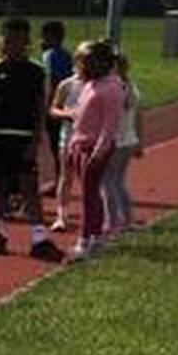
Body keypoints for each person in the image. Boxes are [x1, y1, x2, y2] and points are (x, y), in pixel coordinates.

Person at [0, 18, 59, 261]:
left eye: (18, 41)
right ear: (1, 41)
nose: (12, 45)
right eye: (8, 40)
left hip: (22, 139)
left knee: (29, 188)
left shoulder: (36, 71)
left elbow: (39, 109)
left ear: (27, 42)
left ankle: (39, 239)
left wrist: (35, 142)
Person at [64, 39, 122, 261]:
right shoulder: (90, 84)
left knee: (89, 195)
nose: (79, 68)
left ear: (99, 63)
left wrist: (98, 153)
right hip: (81, 144)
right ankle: (94, 238)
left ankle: (86, 240)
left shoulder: (112, 88)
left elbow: (109, 126)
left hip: (95, 148)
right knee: (89, 193)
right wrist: (72, 144)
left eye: (83, 63)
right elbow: (81, 116)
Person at [101, 51, 143, 233]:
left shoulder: (113, 87)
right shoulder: (131, 86)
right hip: (128, 139)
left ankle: (112, 222)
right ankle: (128, 219)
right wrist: (139, 141)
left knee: (107, 183)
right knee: (119, 181)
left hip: (115, 140)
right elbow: (138, 116)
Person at [47, 47, 88, 231]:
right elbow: (53, 109)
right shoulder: (67, 84)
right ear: (76, 63)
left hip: (90, 139)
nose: (85, 66)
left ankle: (94, 216)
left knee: (89, 178)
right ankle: (61, 216)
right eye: (82, 62)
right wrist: (68, 114)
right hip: (68, 136)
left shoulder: (97, 85)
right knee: (66, 176)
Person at [39, 20, 74, 188]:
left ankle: (60, 182)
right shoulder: (67, 55)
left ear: (49, 36)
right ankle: (61, 179)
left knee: (56, 145)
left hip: (54, 104)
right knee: (60, 144)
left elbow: (51, 81)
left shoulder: (49, 55)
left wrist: (47, 106)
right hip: (68, 102)